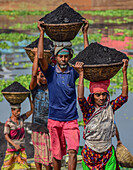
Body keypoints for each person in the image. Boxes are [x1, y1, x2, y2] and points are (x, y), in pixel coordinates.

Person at [36, 20, 88, 170]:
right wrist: (41, 33)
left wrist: (84, 33)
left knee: (72, 152)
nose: (64, 59)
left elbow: (86, 58)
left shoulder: (73, 72)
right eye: (61, 57)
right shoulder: (51, 72)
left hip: (71, 120)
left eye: (66, 57)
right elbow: (40, 58)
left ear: (70, 56)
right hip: (54, 120)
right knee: (56, 156)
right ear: (56, 58)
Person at [76, 59, 128, 170]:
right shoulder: (88, 110)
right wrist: (81, 74)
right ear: (93, 95)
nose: (101, 98)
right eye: (98, 95)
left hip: (107, 151)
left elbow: (124, 97)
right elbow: (80, 97)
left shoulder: (110, 107)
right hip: (91, 153)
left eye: (104, 94)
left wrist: (124, 72)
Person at [30, 48, 52, 170]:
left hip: (50, 126)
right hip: (38, 126)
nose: (43, 78)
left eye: (45, 76)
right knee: (40, 156)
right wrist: (35, 57)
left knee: (49, 157)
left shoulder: (53, 88)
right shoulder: (35, 89)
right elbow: (33, 75)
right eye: (41, 76)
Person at [1, 95, 33, 170]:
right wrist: (15, 145)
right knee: (8, 167)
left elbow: (31, 110)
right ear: (12, 110)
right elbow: (6, 136)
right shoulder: (8, 123)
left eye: (19, 111)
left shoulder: (21, 119)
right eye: (17, 111)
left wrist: (29, 98)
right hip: (11, 150)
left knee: (22, 167)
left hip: (21, 149)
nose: (18, 113)